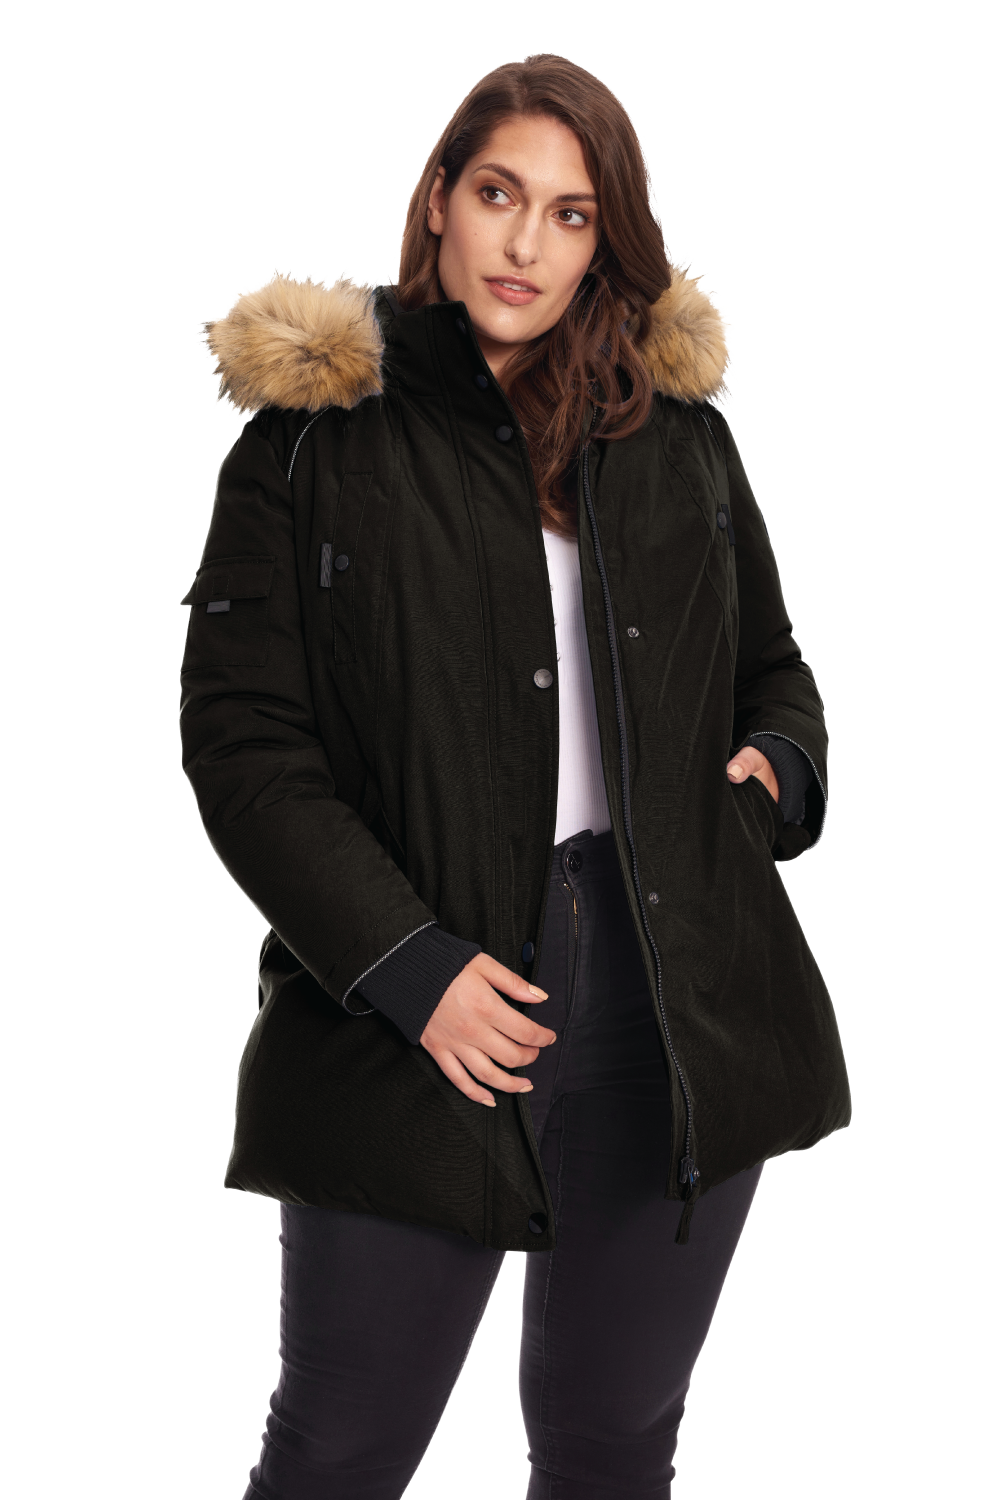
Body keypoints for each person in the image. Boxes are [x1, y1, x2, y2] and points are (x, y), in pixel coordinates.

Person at [182, 51, 851, 1500]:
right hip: (417, 1007)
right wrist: (410, 969)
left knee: (614, 1447)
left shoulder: (674, 435)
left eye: (570, 214)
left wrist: (775, 781)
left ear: (608, 240)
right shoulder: (310, 443)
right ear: (438, 201)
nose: (526, 244)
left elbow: (776, 670)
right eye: (499, 195)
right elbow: (244, 750)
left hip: (672, 1000)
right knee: (341, 1454)